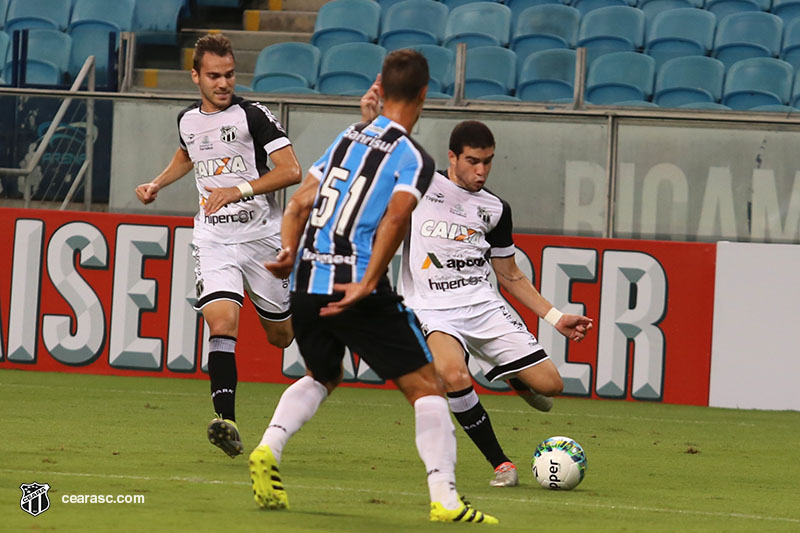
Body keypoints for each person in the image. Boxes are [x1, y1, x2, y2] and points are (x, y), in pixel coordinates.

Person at [252, 49, 498, 524]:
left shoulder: (345, 138)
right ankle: (446, 499)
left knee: (323, 374)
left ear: (380, 89)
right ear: (425, 95)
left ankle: (268, 448)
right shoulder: (413, 157)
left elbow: (300, 203)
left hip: (306, 277)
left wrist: (287, 251)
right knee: (427, 386)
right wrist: (367, 283)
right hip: (352, 282)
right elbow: (396, 215)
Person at [360, 81, 593, 488]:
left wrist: (555, 317)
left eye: (488, 162)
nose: (481, 171)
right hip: (431, 308)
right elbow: (384, 154)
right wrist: (370, 120)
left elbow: (510, 274)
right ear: (452, 157)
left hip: (483, 305)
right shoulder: (421, 183)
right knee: (453, 376)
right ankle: (501, 463)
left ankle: (510, 372)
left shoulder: (496, 209)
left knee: (550, 387)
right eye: (472, 161)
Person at [135, 34, 302, 458]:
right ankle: (225, 421)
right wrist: (157, 182)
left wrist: (238, 189)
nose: (223, 83)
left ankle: (300, 311)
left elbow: (291, 170)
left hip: (263, 238)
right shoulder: (187, 120)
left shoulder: (253, 116)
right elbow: (188, 154)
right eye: (214, 76)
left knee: (280, 337)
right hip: (214, 239)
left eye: (229, 74)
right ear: (196, 76)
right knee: (221, 323)